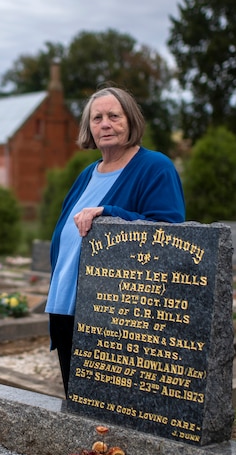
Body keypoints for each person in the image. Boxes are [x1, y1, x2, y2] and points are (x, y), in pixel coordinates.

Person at [46, 86, 186, 397]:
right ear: (89, 128)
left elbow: (171, 233)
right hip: (66, 307)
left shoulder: (154, 168)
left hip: (115, 313)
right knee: (80, 403)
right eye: (97, 118)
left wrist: (109, 212)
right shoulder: (87, 174)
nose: (105, 124)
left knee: (116, 407)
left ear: (131, 120)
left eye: (114, 116)